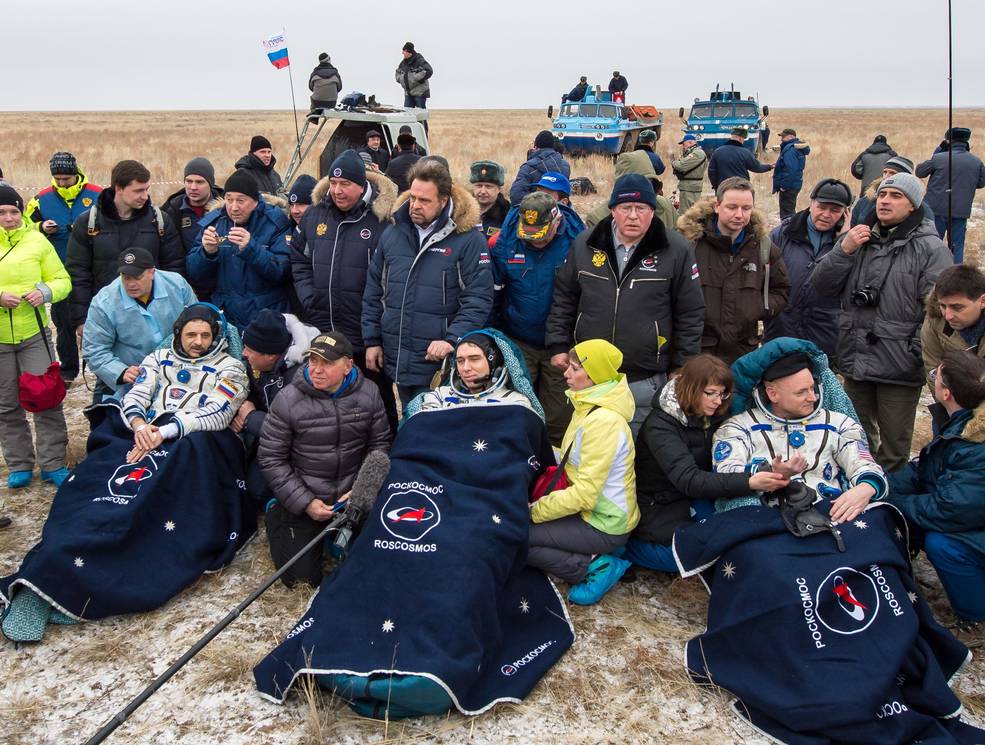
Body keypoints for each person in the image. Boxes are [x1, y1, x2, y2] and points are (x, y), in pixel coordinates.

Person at [811, 172, 953, 472]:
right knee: (854, 439)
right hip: (856, 359)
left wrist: (914, 350)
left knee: (894, 450)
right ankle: (858, 498)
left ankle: (889, 507)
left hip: (899, 366)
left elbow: (939, 313)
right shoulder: (859, 240)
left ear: (913, 205)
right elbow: (821, 287)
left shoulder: (931, 249)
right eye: (883, 195)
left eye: (896, 196)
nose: (885, 201)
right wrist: (843, 249)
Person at [546, 173, 705, 435]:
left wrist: (682, 366)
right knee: (590, 444)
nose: (633, 216)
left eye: (641, 208)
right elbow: (564, 297)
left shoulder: (676, 249)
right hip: (589, 374)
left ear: (653, 211)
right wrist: (558, 345)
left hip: (644, 377)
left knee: (636, 450)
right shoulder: (585, 244)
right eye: (625, 208)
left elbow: (690, 312)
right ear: (612, 211)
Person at [625, 355, 789, 571]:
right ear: (690, 389)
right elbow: (688, 479)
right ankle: (625, 550)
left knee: (724, 541)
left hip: (697, 496)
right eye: (710, 393)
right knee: (682, 557)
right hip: (659, 501)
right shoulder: (660, 425)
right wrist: (750, 481)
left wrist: (766, 471)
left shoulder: (715, 413)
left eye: (722, 393)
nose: (718, 400)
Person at [259, 331, 391, 587]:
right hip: (307, 494)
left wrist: (361, 490)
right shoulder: (287, 399)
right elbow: (271, 457)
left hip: (352, 495)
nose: (317, 369)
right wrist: (305, 501)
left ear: (348, 365)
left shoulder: (370, 393)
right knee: (300, 581)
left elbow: (380, 446)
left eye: (327, 363)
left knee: (379, 564)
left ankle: (342, 534)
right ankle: (279, 515)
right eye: (313, 361)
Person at [362, 159, 493, 408]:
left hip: (438, 365)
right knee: (409, 419)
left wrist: (452, 339)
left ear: (443, 201)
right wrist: (372, 340)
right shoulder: (392, 234)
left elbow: (478, 299)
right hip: (397, 355)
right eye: (413, 197)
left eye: (424, 201)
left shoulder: (467, 240)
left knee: (434, 425)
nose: (415, 206)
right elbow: (373, 292)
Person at [713, 349, 887, 523]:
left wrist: (867, 486)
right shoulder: (738, 427)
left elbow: (862, 462)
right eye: (801, 392)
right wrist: (770, 473)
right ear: (772, 393)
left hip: (831, 512)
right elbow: (724, 475)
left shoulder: (839, 424)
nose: (812, 397)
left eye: (813, 388)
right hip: (766, 518)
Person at [292, 150, 399, 431]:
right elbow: (299, 259)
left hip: (363, 333)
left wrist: (375, 329)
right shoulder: (315, 215)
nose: (337, 191)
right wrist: (308, 295)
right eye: (334, 184)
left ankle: (387, 452)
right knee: (327, 402)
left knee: (376, 401)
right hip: (322, 328)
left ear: (362, 186)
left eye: (345, 185)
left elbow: (391, 277)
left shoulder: (381, 220)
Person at [886, 351, 985, 648]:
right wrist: (878, 485)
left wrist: (895, 503)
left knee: (944, 544)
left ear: (946, 392)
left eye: (936, 376)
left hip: (969, 518)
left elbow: (949, 509)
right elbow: (925, 470)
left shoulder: (975, 444)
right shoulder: (962, 423)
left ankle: (976, 619)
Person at [528, 339, 638, 605]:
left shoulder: (604, 422)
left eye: (575, 369)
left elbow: (585, 495)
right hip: (593, 512)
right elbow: (573, 458)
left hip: (603, 521)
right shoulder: (588, 406)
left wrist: (534, 510)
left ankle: (593, 565)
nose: (566, 373)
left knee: (518, 537)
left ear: (595, 376)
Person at [491, 191, 585, 443]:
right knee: (516, 406)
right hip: (519, 338)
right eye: (530, 236)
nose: (536, 242)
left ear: (556, 222)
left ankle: (552, 466)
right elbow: (495, 288)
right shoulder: (508, 239)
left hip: (564, 344)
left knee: (558, 415)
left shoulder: (578, 240)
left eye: (542, 236)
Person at [0, 185, 71, 489]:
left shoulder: (38, 241)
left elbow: (62, 280)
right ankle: (19, 465)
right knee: (6, 404)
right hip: (1, 339)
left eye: (14, 211)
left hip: (34, 335)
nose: (9, 217)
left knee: (46, 398)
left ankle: (53, 462)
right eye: (1, 212)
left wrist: (45, 292)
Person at [678, 177, 790, 364]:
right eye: (732, 207)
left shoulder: (763, 247)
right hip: (698, 352)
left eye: (746, 208)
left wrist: (757, 306)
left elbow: (781, 290)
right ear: (717, 206)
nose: (739, 215)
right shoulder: (690, 245)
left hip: (743, 352)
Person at [121, 303, 248, 465]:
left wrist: (166, 432)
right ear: (179, 334)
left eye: (205, 335)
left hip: (196, 436)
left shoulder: (231, 368)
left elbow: (219, 412)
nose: (198, 342)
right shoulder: (158, 358)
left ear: (215, 336)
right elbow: (138, 393)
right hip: (148, 429)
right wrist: (139, 426)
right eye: (191, 335)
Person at [65, 159, 184, 331]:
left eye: (146, 190)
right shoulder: (88, 223)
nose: (145, 196)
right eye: (138, 191)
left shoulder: (159, 221)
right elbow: (78, 273)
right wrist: (82, 319)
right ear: (119, 189)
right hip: (105, 316)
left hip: (153, 317)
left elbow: (174, 268)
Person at [24, 151, 101, 383]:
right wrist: (40, 227)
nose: (61, 182)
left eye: (65, 178)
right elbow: (25, 227)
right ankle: (68, 372)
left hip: (94, 270)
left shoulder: (98, 195)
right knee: (64, 325)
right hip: (59, 273)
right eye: (57, 178)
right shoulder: (40, 199)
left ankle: (101, 369)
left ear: (75, 173)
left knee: (98, 322)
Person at [82, 247, 197, 402]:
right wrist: (120, 372)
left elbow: (197, 323)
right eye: (126, 277)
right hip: (132, 374)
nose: (131, 284)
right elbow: (94, 349)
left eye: (137, 277)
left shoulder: (177, 284)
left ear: (152, 272)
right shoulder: (104, 302)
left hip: (179, 367)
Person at [186, 169, 292, 332]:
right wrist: (207, 253)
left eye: (241, 201)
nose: (234, 207)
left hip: (264, 318)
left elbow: (282, 272)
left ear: (255, 201)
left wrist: (251, 249)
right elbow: (194, 273)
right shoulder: (215, 222)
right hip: (226, 317)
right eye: (229, 200)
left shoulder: (275, 222)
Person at [231, 309, 316, 506]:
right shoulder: (262, 366)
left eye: (249, 350)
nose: (243, 354)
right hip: (269, 435)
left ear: (271, 355)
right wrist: (243, 406)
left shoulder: (300, 378)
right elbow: (255, 393)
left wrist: (250, 417)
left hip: (300, 449)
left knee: (257, 493)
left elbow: (294, 431)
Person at [764, 178, 852, 362]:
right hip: (781, 329)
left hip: (823, 333)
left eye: (835, 210)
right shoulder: (782, 235)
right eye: (821, 207)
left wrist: (843, 241)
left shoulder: (851, 244)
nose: (827, 214)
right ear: (811, 203)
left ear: (846, 213)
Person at [417, 330, 535, 412]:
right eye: (460, 361)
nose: (466, 368)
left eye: (474, 359)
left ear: (493, 363)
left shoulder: (516, 403)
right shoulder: (439, 396)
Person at [916, 127, 985, 263]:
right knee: (956, 247)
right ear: (966, 141)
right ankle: (955, 278)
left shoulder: (938, 158)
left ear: (948, 141)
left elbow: (920, 172)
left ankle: (930, 274)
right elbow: (981, 183)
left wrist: (939, 150)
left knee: (932, 244)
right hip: (960, 211)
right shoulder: (976, 162)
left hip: (935, 210)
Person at [161, 157, 223, 301]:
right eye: (189, 181)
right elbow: (171, 257)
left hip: (222, 286)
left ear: (211, 184)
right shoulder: (172, 210)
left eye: (199, 182)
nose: (193, 187)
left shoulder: (226, 207)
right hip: (189, 289)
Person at [584, 150, 677, 234]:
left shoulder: (665, 207)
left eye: (648, 184)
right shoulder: (597, 219)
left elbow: (681, 245)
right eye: (635, 186)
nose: (643, 190)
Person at [922, 264, 985, 378]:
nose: (948, 316)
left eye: (957, 307)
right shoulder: (935, 319)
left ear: (982, 301)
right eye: (943, 306)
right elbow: (933, 370)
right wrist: (946, 395)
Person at [850, 155, 935, 227]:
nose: (886, 176)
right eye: (885, 172)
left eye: (892, 173)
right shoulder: (865, 201)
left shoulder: (920, 207)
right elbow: (851, 226)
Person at [508, 131, 570, 206]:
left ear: (536, 147)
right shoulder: (565, 165)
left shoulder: (528, 167)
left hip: (534, 213)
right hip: (560, 211)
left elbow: (516, 195)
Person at [707, 128, 773, 191]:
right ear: (740, 138)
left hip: (723, 188)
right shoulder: (745, 153)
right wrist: (769, 167)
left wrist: (717, 186)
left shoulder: (718, 151)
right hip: (741, 188)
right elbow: (757, 168)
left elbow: (711, 171)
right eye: (743, 139)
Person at [772, 128, 811, 219]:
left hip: (789, 186)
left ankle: (788, 230)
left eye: (784, 136)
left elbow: (791, 169)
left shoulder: (791, 150)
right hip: (794, 184)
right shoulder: (794, 147)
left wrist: (784, 186)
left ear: (791, 136)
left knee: (787, 213)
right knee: (789, 209)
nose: (781, 139)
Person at [469, 160, 510, 239]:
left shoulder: (506, 215)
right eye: (479, 186)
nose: (483, 191)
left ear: (498, 189)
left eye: (488, 186)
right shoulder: (462, 212)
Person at [672, 134, 708, 214]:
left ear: (690, 143)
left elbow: (681, 166)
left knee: (686, 214)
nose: (683, 147)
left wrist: (674, 162)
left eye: (684, 145)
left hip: (690, 189)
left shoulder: (697, 154)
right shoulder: (695, 153)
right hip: (690, 187)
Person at [396, 42, 433, 109]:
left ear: (409, 52)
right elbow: (397, 72)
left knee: (421, 116)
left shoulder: (419, 60)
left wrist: (415, 79)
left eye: (404, 51)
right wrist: (400, 79)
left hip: (420, 93)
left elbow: (429, 71)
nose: (402, 53)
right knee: (407, 116)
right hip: (408, 93)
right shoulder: (403, 63)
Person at [308, 52, 342, 119]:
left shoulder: (314, 73)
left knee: (312, 98)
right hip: (332, 103)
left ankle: (314, 118)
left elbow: (310, 87)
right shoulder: (335, 73)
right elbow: (339, 87)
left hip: (317, 103)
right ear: (329, 60)